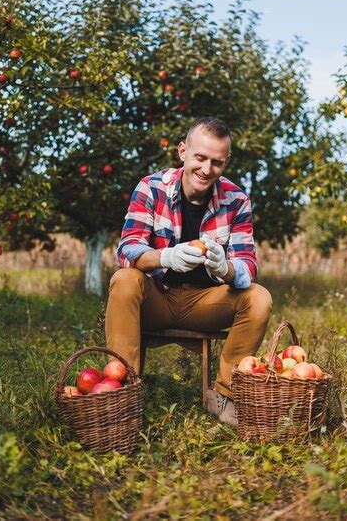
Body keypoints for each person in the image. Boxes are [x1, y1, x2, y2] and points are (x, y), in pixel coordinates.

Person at [105, 117, 272, 426]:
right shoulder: (152, 187)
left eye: (216, 162)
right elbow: (128, 248)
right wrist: (164, 256)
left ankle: (225, 395)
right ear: (183, 151)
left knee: (258, 298)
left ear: (226, 161)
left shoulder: (237, 201)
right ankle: (122, 394)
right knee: (124, 280)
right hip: (158, 298)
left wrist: (225, 268)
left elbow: (248, 267)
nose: (206, 169)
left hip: (206, 303)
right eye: (200, 157)